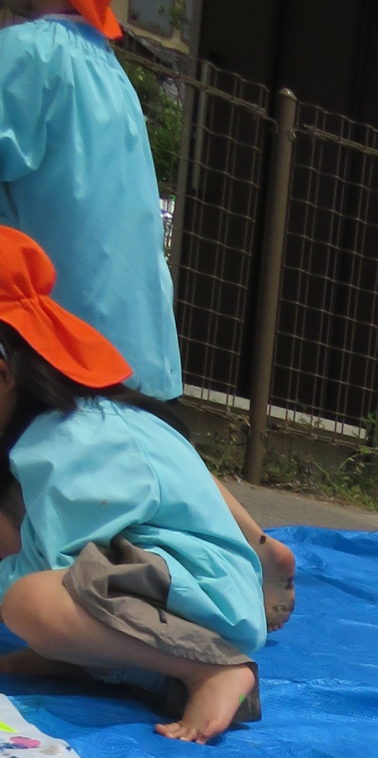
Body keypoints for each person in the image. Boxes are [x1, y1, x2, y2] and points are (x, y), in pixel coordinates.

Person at [0, 0, 295, 625]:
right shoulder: (105, 66)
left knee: (109, 471)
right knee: (160, 456)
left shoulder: (28, 56)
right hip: (133, 321)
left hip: (67, 322)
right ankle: (256, 546)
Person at [0, 226, 264, 742]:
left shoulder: (76, 442)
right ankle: (90, 658)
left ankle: (210, 670)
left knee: (30, 602)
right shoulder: (50, 431)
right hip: (155, 586)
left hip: (202, 599)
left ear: (5, 374)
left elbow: (63, 566)